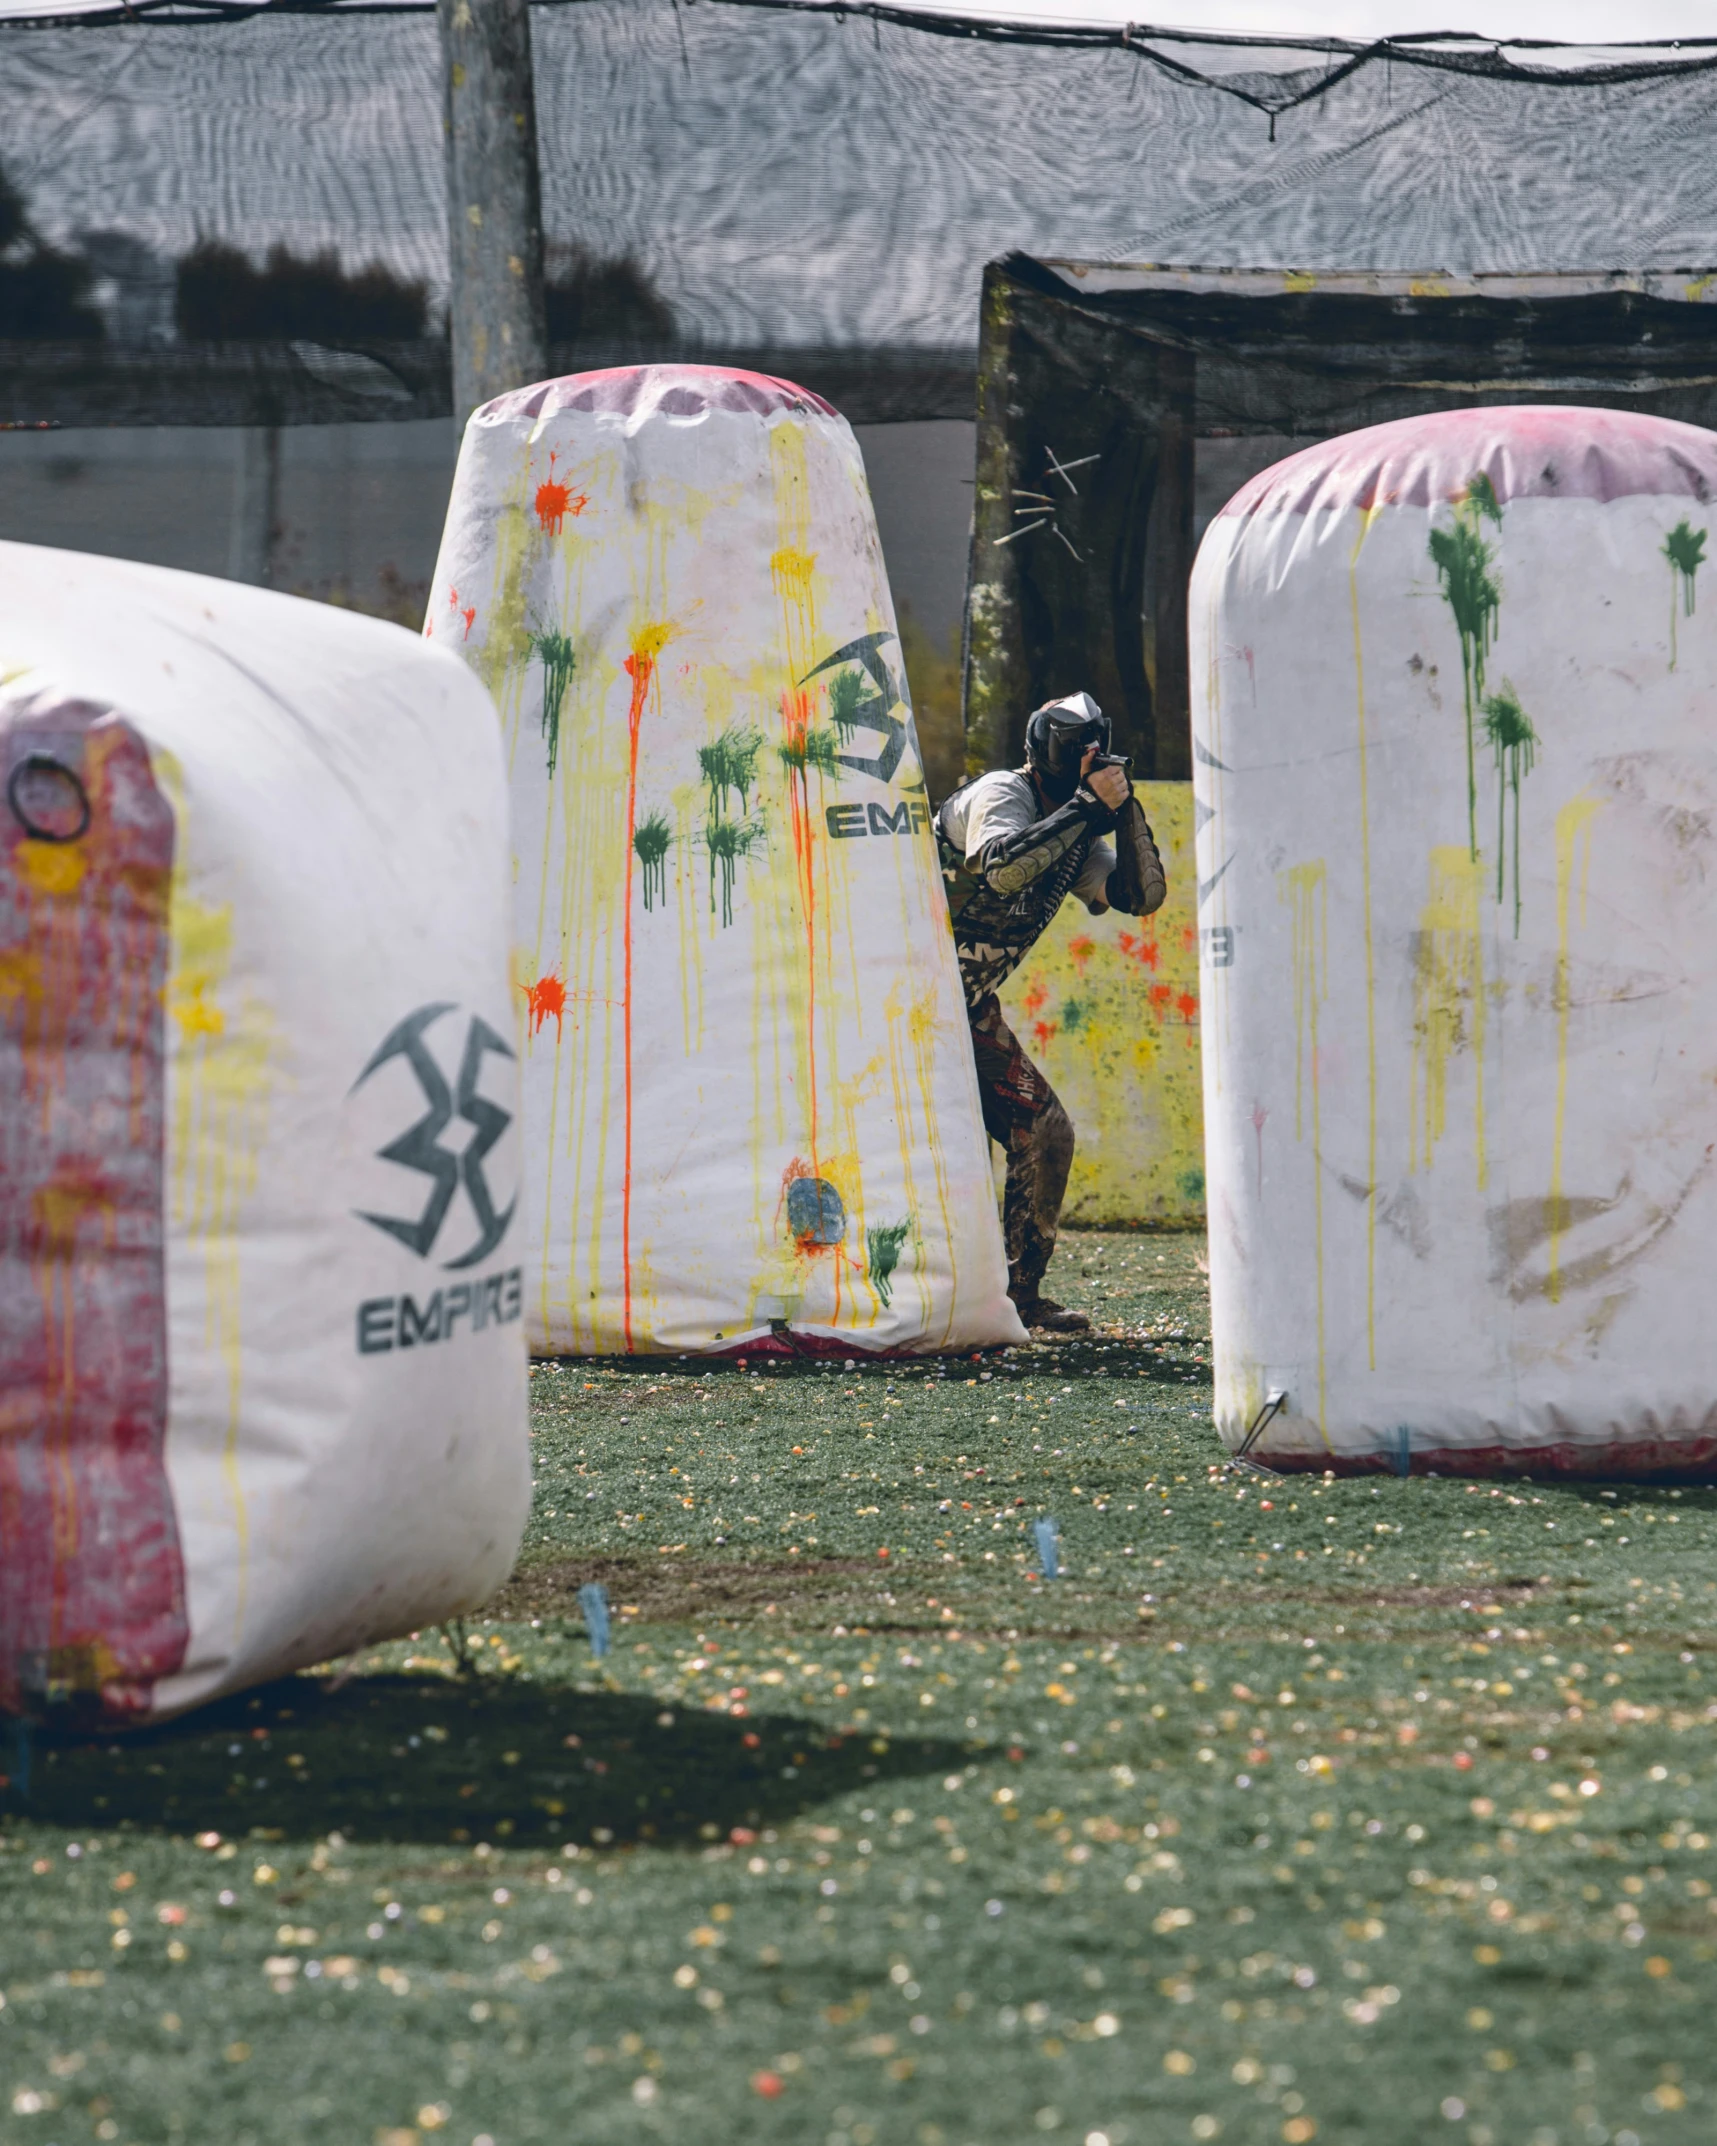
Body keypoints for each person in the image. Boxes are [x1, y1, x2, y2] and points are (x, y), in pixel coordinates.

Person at [935, 692, 1167, 1332]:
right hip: (893, 1006)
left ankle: (1020, 1299)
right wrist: (1089, 807)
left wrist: (1123, 813)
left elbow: (1141, 896)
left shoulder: (1079, 830)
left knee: (1045, 1132)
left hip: (967, 1011)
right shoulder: (1000, 794)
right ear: (1052, 753)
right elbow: (1003, 870)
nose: (1093, 761)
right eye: (1081, 752)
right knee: (933, 1153)